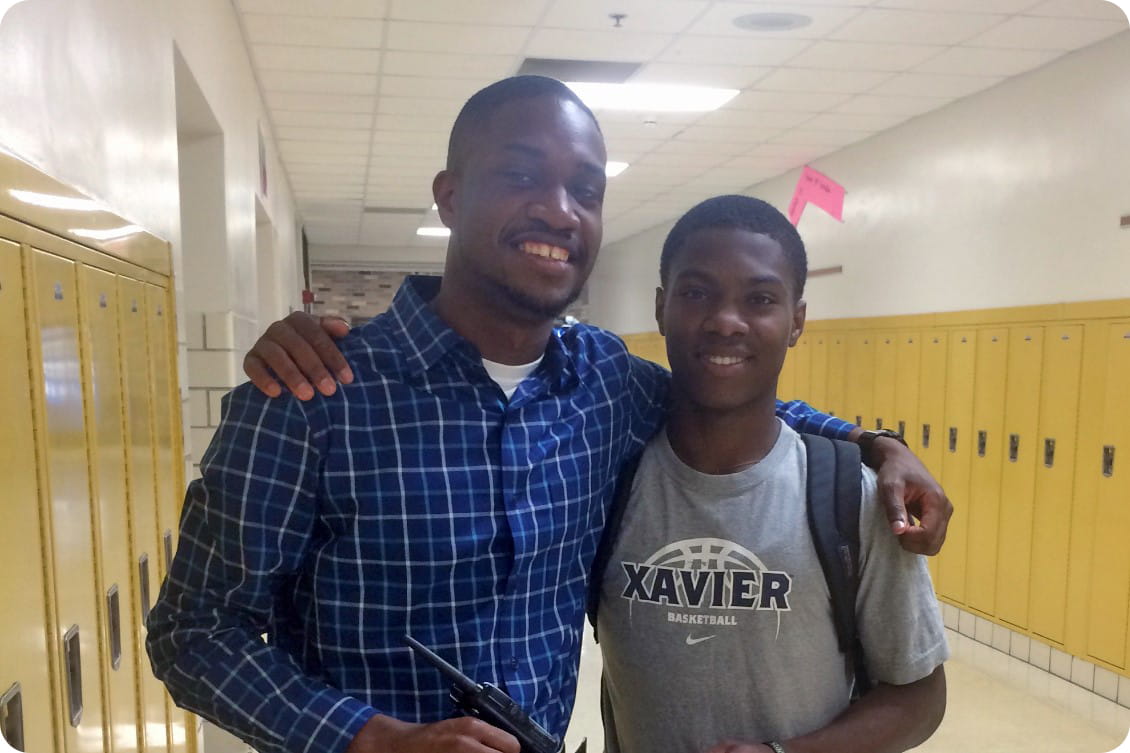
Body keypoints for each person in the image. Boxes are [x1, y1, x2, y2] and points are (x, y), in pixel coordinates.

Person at [148, 76, 950, 753]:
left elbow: (734, 395)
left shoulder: (604, 385)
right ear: (452, 196)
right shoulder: (312, 396)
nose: (559, 209)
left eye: (586, 189)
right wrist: (369, 738)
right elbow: (192, 634)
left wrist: (878, 444)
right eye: (523, 175)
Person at [593, 194, 947, 753]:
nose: (725, 322)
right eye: (696, 293)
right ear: (661, 307)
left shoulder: (851, 497)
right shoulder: (610, 485)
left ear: (796, 321)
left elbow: (920, 697)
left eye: (759, 299)